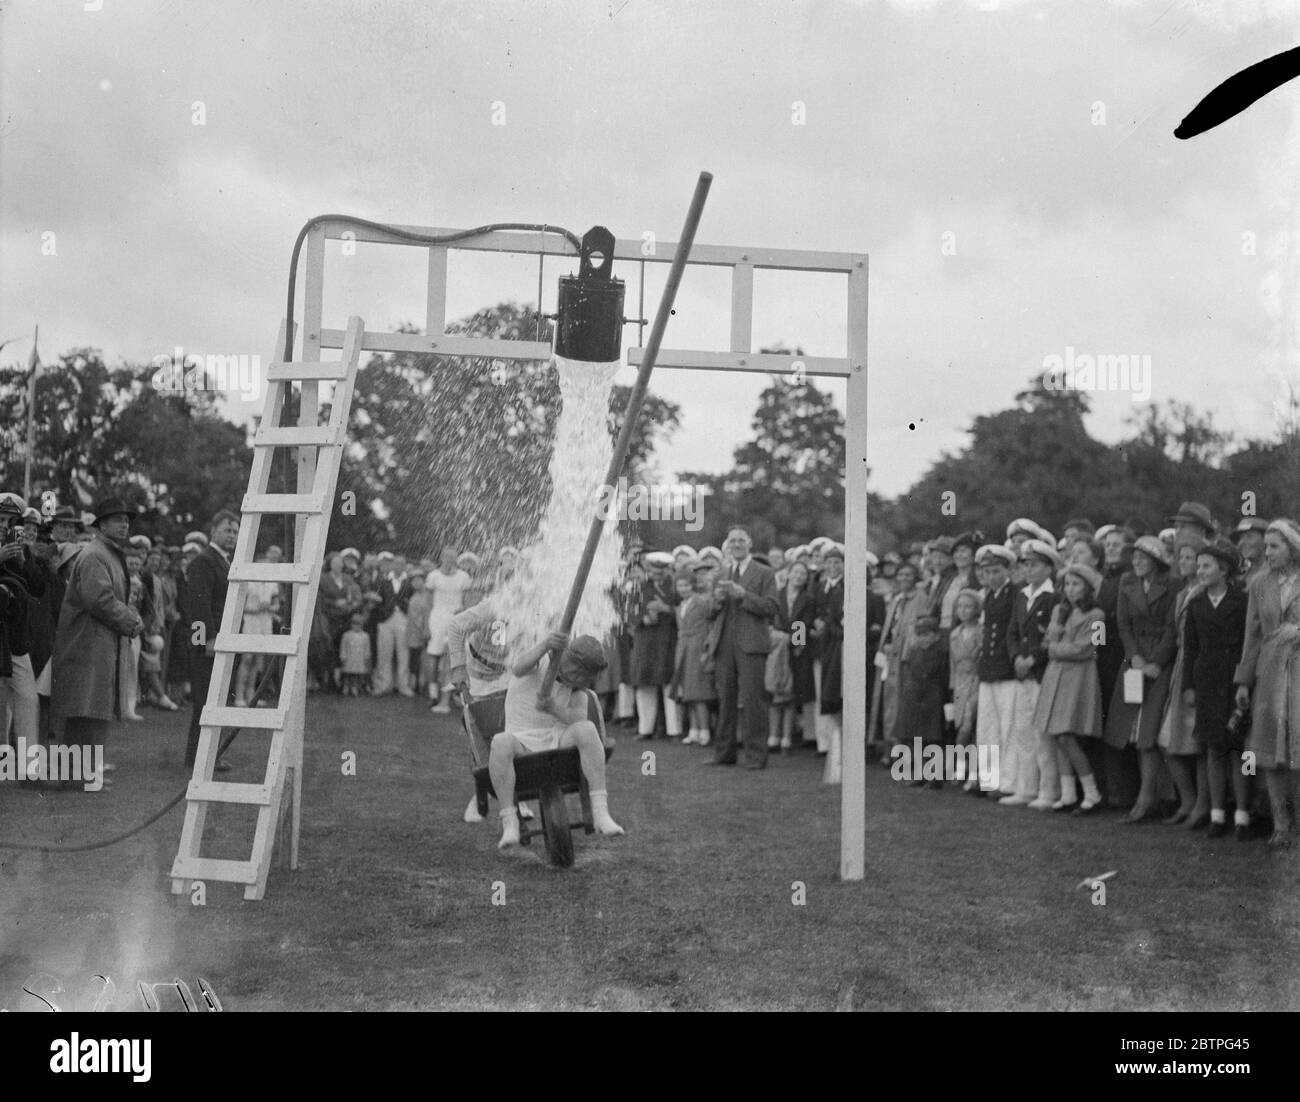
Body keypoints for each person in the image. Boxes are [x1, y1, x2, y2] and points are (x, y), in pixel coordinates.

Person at [491, 632, 623, 849]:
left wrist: (554, 708)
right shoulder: (539, 662)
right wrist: (546, 643)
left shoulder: (577, 689)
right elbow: (517, 668)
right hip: (521, 741)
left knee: (588, 729)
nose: (579, 680)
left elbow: (579, 717)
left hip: (556, 740)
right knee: (500, 742)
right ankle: (510, 823)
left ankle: (601, 812)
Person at [49, 497, 143, 787]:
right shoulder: (94, 555)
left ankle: (86, 774)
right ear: (101, 524)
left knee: (91, 709)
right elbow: (99, 600)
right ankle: (77, 778)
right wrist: (131, 621)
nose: (124, 523)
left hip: (97, 644)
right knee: (83, 710)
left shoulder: (106, 552)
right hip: (85, 644)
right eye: (117, 519)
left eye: (126, 519)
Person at [1233, 518, 1300, 848]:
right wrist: (1244, 682)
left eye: (1275, 546)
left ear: (1292, 547)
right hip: (1271, 671)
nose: (1268, 551)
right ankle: (1281, 825)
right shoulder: (1259, 584)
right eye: (1267, 546)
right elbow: (1252, 635)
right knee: (1271, 748)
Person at [1103, 535, 1178, 824]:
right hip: (1133, 663)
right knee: (1131, 730)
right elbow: (1123, 624)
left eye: (1143, 558)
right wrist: (1134, 656)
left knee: (1150, 731)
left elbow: (1172, 629)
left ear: (1157, 561)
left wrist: (1156, 662)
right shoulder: (1127, 583)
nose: (1136, 562)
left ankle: (1152, 798)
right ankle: (1146, 796)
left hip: (1160, 663)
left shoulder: (1171, 585)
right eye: (1134, 557)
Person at [1183, 538, 1251, 840]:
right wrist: (1188, 686)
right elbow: (1190, 649)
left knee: (1237, 749)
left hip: (1233, 679)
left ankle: (1243, 816)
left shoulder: (1241, 601)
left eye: (1206, 566)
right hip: (1207, 679)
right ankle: (1217, 814)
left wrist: (1244, 682)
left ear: (1223, 569)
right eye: (1198, 566)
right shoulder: (1195, 604)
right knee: (1213, 747)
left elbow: (1248, 644)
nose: (1200, 571)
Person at [1033, 562, 1105, 814]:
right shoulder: (1059, 611)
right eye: (1067, 584)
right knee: (1057, 734)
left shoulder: (1097, 616)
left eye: (1077, 584)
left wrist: (1053, 648)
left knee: (1067, 735)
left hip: (1078, 679)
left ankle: (1092, 792)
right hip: (1057, 677)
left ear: (1088, 588)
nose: (1071, 589)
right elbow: (1048, 639)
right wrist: (1053, 636)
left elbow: (1093, 647)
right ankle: (1068, 793)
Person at [706, 527, 779, 770]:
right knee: (725, 700)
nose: (737, 544)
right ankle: (724, 753)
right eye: (732, 541)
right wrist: (716, 601)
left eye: (741, 540)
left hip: (752, 644)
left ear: (749, 544)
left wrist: (743, 595)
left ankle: (756, 756)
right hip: (725, 642)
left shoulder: (765, 572)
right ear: (727, 545)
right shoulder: (721, 573)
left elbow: (771, 607)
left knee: (753, 701)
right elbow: (710, 613)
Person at [1005, 539, 1061, 809]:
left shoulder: (1053, 598)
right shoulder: (1021, 595)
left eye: (1035, 564)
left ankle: (1048, 791)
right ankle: (1026, 788)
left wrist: (1032, 657)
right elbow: (1012, 631)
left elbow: (1052, 635)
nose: (1028, 569)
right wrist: (1016, 656)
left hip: (1041, 672)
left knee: (1043, 734)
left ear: (1049, 568)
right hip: (1022, 673)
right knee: (1023, 731)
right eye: (1026, 564)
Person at [1156, 537, 1209, 826]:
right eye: (1183, 558)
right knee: (1167, 740)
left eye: (1192, 557)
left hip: (1198, 667)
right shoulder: (1181, 594)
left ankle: (1202, 804)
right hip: (1180, 667)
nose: (1186, 563)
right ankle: (1188, 800)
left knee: (1197, 741)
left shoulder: (1204, 593)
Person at [185, 509, 240, 771]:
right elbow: (198, 604)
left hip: (224, 641)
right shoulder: (203, 561)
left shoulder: (226, 562)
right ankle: (200, 757)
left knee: (217, 699)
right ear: (213, 530)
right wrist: (205, 640)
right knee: (206, 700)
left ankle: (207, 755)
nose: (233, 535)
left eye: (236, 530)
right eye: (228, 529)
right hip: (209, 644)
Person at [0, 492, 47, 765]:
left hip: (16, 637)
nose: (4, 524)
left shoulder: (22, 550)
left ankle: (29, 764)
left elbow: (39, 586)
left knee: (28, 699)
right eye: (1, 518)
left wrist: (22, 562)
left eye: (9, 520)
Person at [973, 544, 1017, 796]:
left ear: (1007, 570)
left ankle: (1008, 782)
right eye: (987, 571)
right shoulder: (989, 595)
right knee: (987, 727)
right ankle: (989, 778)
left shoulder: (1014, 594)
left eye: (996, 570)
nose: (991, 576)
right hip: (989, 668)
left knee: (1007, 728)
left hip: (1006, 668)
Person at [630, 550, 681, 741]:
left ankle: (674, 731)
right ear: (648, 568)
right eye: (653, 570)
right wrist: (642, 618)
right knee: (644, 685)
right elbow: (628, 611)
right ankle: (645, 729)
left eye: (661, 571)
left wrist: (666, 609)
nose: (656, 574)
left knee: (669, 685)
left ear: (667, 570)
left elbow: (684, 611)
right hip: (645, 641)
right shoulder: (639, 587)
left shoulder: (674, 588)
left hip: (668, 640)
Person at [897, 614, 948, 789]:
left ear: (936, 635)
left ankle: (935, 776)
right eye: (919, 634)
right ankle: (920, 774)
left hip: (933, 698)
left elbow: (943, 677)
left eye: (926, 634)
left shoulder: (941, 653)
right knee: (917, 737)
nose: (922, 638)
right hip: (917, 697)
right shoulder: (915, 652)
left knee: (933, 739)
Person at [772, 559, 816, 754]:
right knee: (774, 690)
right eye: (795, 572)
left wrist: (795, 642)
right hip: (776, 648)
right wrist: (778, 637)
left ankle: (786, 738)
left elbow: (804, 623)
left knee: (790, 694)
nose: (798, 576)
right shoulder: (777, 595)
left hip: (795, 650)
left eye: (802, 574)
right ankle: (773, 735)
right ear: (788, 574)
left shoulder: (808, 599)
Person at [813, 543, 846, 782]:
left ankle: (838, 741)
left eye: (837, 562)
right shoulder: (817, 587)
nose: (833, 566)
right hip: (818, 646)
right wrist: (806, 632)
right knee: (819, 693)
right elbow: (806, 615)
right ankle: (822, 741)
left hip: (836, 645)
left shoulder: (846, 587)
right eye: (829, 562)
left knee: (835, 693)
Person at [674, 565, 717, 747]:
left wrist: (706, 651)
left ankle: (705, 731)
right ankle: (694, 730)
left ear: (692, 586)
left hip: (697, 648)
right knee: (688, 693)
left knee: (699, 694)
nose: (683, 589)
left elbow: (709, 625)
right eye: (680, 585)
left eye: (686, 585)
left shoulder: (701, 602)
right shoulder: (681, 605)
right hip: (683, 649)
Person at [426, 546, 473, 711]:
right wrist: (426, 623)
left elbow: (467, 602)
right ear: (441, 557)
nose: (450, 560)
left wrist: (465, 620)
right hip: (436, 618)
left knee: (451, 657)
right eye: (446, 557)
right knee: (434, 655)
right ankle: (433, 694)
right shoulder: (433, 576)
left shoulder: (463, 577)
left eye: (453, 557)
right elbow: (428, 601)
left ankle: (449, 698)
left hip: (456, 619)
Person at [233, 551, 279, 707]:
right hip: (250, 621)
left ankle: (252, 695)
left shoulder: (273, 583)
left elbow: (276, 604)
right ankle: (239, 696)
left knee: (258, 661)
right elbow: (240, 606)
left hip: (265, 622)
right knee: (247, 658)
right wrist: (256, 608)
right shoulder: (248, 583)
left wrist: (270, 607)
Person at [949, 589, 982, 786]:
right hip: (960, 685)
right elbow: (952, 664)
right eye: (960, 606)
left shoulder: (981, 631)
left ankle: (974, 773)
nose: (963, 610)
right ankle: (961, 770)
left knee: (971, 727)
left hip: (976, 681)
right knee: (960, 727)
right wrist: (952, 688)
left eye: (968, 606)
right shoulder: (954, 633)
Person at [373, 553, 414, 696]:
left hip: (403, 618)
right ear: (392, 565)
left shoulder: (410, 581)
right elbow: (376, 598)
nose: (399, 566)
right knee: (384, 652)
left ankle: (403, 685)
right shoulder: (382, 580)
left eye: (402, 564)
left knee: (403, 653)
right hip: (386, 619)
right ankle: (384, 685)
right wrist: (383, 611)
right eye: (396, 563)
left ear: (404, 566)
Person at [404, 567, 433, 696]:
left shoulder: (429, 595)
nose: (416, 583)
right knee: (415, 658)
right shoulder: (414, 597)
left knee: (427, 658)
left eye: (419, 580)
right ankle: (415, 685)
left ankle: (425, 684)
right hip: (415, 632)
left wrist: (426, 629)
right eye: (413, 581)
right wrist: (422, 629)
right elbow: (415, 618)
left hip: (428, 629)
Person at [339, 611, 372, 696]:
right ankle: (346, 687)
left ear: (362, 625)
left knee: (356, 674)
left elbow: (367, 648)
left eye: (358, 624)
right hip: (349, 658)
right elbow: (343, 647)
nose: (356, 626)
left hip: (359, 659)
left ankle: (354, 687)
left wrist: (367, 658)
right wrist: (343, 657)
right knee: (348, 673)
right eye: (354, 624)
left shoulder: (365, 636)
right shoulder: (346, 635)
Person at [1229, 517, 1269, 587]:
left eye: (1249, 537)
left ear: (1265, 540)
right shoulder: (1240, 576)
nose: (1241, 543)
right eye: (1240, 538)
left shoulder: (1274, 574)